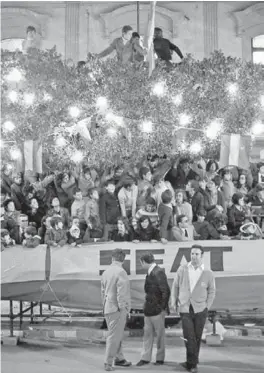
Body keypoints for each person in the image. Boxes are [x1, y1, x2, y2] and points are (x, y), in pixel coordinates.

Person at [170, 245, 216, 373]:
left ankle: (191, 361)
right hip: (185, 307)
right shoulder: (183, 269)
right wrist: (173, 301)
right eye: (192, 254)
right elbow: (175, 286)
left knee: (196, 336)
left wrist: (207, 306)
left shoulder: (208, 272)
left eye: (196, 254)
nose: (194, 256)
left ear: (202, 256)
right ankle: (193, 363)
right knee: (188, 336)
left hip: (201, 309)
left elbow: (212, 291)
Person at [136, 252, 170, 367]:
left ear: (144, 262)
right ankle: (146, 358)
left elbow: (166, 291)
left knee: (159, 335)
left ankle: (159, 358)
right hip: (150, 308)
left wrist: (162, 308)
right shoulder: (153, 272)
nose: (140, 265)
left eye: (141, 263)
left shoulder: (158, 272)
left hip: (156, 309)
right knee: (148, 334)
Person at [101, 249, 131, 371]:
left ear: (112, 258)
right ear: (123, 260)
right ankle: (108, 363)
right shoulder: (121, 272)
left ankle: (119, 358)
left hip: (108, 307)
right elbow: (121, 294)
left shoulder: (106, 272)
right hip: (117, 309)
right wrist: (124, 308)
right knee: (113, 337)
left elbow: (102, 292)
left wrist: (104, 306)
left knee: (115, 335)